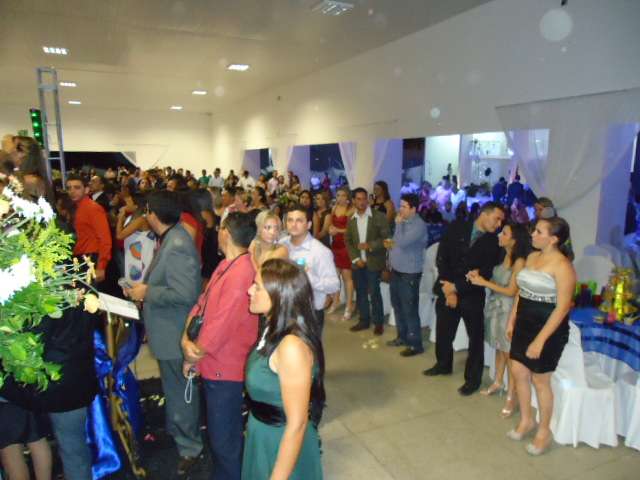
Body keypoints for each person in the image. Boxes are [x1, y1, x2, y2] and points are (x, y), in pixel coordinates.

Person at [124, 190, 204, 475]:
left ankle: (190, 447)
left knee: (180, 389)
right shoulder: (171, 237)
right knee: (173, 387)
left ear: (152, 215)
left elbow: (186, 294)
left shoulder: (178, 243)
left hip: (174, 331)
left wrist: (148, 292)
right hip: (167, 328)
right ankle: (177, 429)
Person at [181, 212, 259, 480]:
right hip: (212, 363)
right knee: (220, 435)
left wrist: (192, 355)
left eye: (220, 228)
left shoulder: (242, 272)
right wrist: (185, 339)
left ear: (226, 232)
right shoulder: (226, 264)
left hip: (226, 369)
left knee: (224, 440)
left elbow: (219, 329)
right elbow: (201, 304)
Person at [243, 259, 325, 479]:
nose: (249, 290)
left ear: (278, 296)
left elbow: (297, 423)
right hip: (263, 434)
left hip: (281, 444)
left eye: (257, 287)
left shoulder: (291, 348)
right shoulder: (272, 327)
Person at [505, 217, 575, 456]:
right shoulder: (532, 257)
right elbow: (522, 292)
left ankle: (544, 431)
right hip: (524, 322)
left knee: (540, 381)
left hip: (548, 328)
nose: (533, 234)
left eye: (539, 231)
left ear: (553, 239)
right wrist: (512, 319)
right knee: (518, 372)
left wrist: (540, 340)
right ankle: (526, 420)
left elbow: (562, 308)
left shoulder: (563, 266)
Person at [424, 201, 505, 396]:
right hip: (447, 287)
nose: (499, 224)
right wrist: (449, 289)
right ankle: (443, 364)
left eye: (501, 221)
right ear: (484, 214)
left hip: (472, 295)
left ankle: (473, 379)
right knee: (444, 331)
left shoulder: (493, 242)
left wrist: (457, 287)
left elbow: (485, 272)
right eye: (497, 219)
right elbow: (442, 256)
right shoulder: (457, 227)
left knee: (475, 338)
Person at [467, 222, 531, 417]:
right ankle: (498, 381)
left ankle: (512, 396)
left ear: (514, 240)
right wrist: (480, 277)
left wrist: (484, 283)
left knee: (509, 353)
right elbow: (497, 282)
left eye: (505, 233)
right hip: (496, 306)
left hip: (508, 309)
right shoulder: (504, 256)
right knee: (499, 348)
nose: (500, 235)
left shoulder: (520, 262)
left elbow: (512, 291)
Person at [279, 206, 340, 334]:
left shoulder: (320, 251)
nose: (293, 224)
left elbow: (334, 285)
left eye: (299, 220)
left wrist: (308, 278)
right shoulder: (281, 245)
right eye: (290, 220)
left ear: (308, 225)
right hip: (283, 310)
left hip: (309, 314)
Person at [387, 194, 428, 356]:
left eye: (404, 206)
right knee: (397, 307)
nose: (400, 209)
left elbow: (403, 242)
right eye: (401, 205)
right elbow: (396, 242)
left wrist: (398, 225)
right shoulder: (403, 222)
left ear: (414, 209)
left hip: (409, 274)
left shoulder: (418, 225)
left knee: (409, 310)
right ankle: (402, 337)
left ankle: (415, 344)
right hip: (396, 271)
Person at [346, 188, 391, 335]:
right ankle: (364, 321)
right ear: (353, 200)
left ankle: (378, 323)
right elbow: (349, 241)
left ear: (368, 199)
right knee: (360, 293)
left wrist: (371, 245)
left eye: (364, 198)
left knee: (375, 292)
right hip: (358, 263)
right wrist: (356, 259)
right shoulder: (351, 219)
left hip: (374, 261)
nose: (362, 202)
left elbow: (388, 239)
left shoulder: (378, 216)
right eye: (359, 199)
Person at [66, 175, 112, 284]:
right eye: (69, 188)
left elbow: (105, 239)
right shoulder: (76, 207)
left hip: (90, 259)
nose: (72, 191)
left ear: (86, 190)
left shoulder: (93, 208)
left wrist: (101, 266)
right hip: (81, 259)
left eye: (77, 187)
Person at [328, 185, 356, 319]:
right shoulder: (334, 208)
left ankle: (349, 304)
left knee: (347, 277)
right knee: (335, 275)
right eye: (338, 195)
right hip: (336, 244)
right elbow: (331, 224)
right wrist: (331, 229)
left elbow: (353, 230)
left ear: (348, 196)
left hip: (346, 245)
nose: (340, 198)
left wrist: (338, 230)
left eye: (343, 195)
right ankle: (336, 301)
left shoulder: (352, 209)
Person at [115, 192, 156, 283]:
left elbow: (120, 235)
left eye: (129, 202)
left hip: (141, 257)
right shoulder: (131, 217)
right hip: (132, 255)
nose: (126, 204)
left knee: (137, 282)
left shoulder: (141, 219)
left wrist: (121, 217)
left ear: (136, 205)